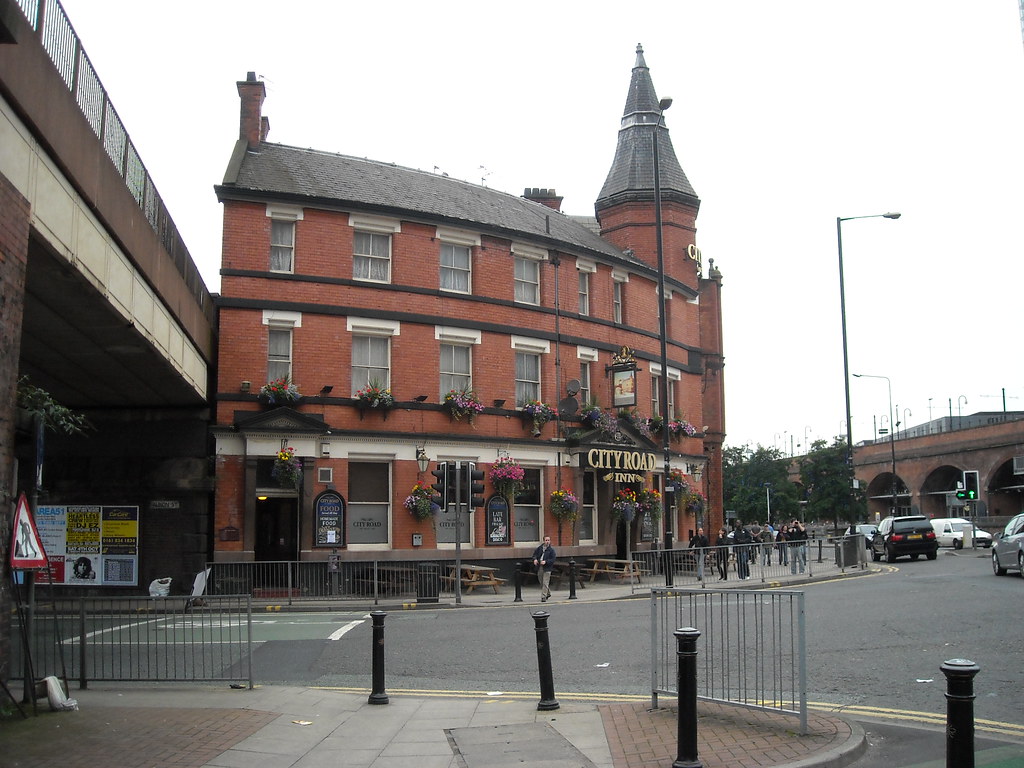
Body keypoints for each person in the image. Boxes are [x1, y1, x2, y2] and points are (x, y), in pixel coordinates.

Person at [532, 535, 556, 601]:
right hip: (540, 566)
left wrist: (546, 562)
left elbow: (553, 559)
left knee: (545, 582)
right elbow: (534, 555)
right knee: (541, 581)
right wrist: (535, 559)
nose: (547, 542)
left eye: (548, 540)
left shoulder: (551, 550)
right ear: (543, 541)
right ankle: (548, 593)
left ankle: (543, 596)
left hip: (547, 568)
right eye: (546, 540)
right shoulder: (539, 548)